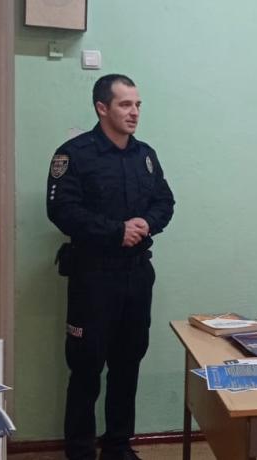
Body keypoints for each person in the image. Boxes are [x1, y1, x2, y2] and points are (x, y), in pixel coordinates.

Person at [46, 74, 175, 460]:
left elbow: (165, 202)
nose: (134, 112)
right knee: (86, 368)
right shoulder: (74, 155)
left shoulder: (145, 156)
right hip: (93, 276)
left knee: (127, 363)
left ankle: (118, 446)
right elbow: (61, 210)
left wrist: (145, 224)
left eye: (137, 105)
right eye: (125, 104)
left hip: (136, 275)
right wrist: (116, 231)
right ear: (102, 108)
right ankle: (80, 451)